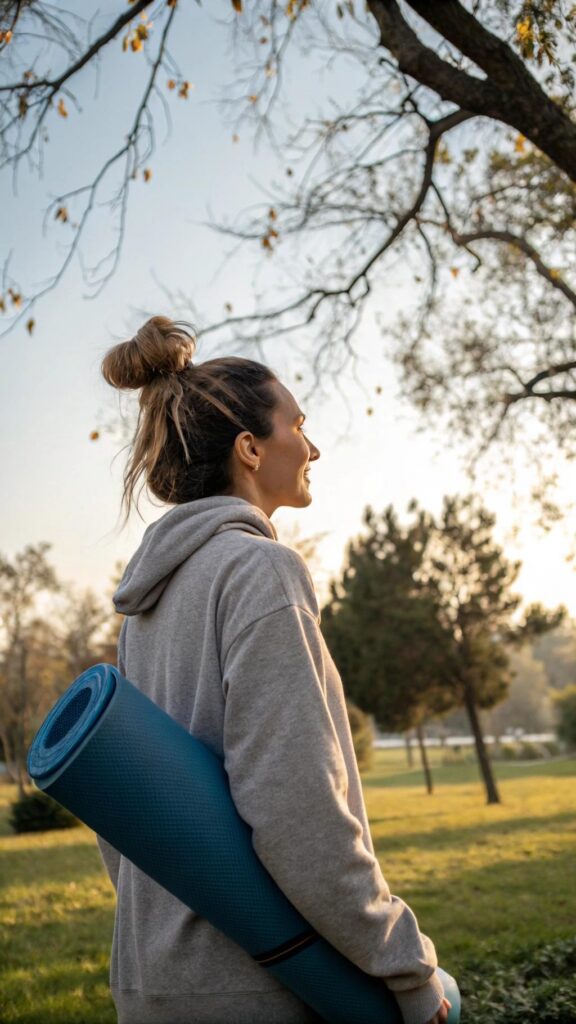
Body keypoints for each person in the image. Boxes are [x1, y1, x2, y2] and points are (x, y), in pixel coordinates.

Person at [97, 315, 451, 1024]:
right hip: (252, 990)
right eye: (299, 424)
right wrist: (410, 972)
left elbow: (126, 811)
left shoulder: (145, 608)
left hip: (152, 978)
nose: (312, 446)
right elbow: (297, 808)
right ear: (251, 448)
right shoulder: (261, 571)